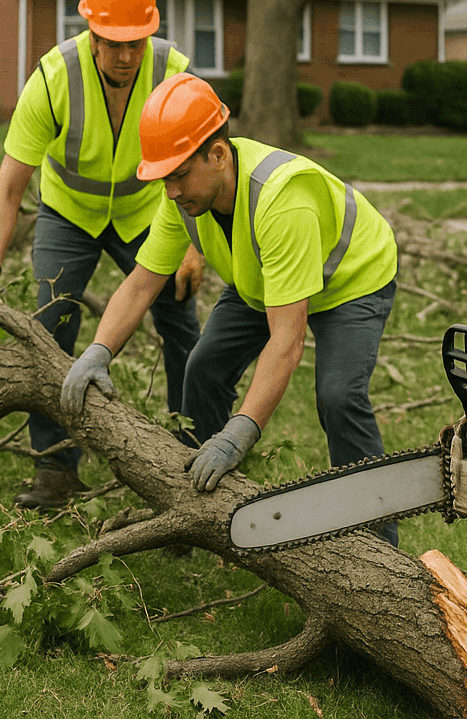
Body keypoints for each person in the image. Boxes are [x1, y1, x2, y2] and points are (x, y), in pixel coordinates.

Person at [61, 74, 402, 541]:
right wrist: (97, 352)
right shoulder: (184, 199)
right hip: (262, 280)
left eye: (179, 175)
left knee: (339, 396)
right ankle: (197, 509)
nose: (172, 192)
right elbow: (141, 284)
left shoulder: (282, 200)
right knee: (201, 369)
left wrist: (240, 432)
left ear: (218, 154)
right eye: (164, 179)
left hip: (349, 281)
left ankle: (376, 541)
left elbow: (286, 341)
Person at [0, 0, 203, 511]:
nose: (125, 55)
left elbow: (201, 170)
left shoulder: (174, 74)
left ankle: (196, 457)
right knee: (51, 326)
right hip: (68, 214)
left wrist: (191, 240)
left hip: (148, 213)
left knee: (182, 323)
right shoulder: (53, 77)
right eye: (113, 42)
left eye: (136, 42)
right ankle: (57, 470)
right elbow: (8, 186)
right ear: (90, 28)